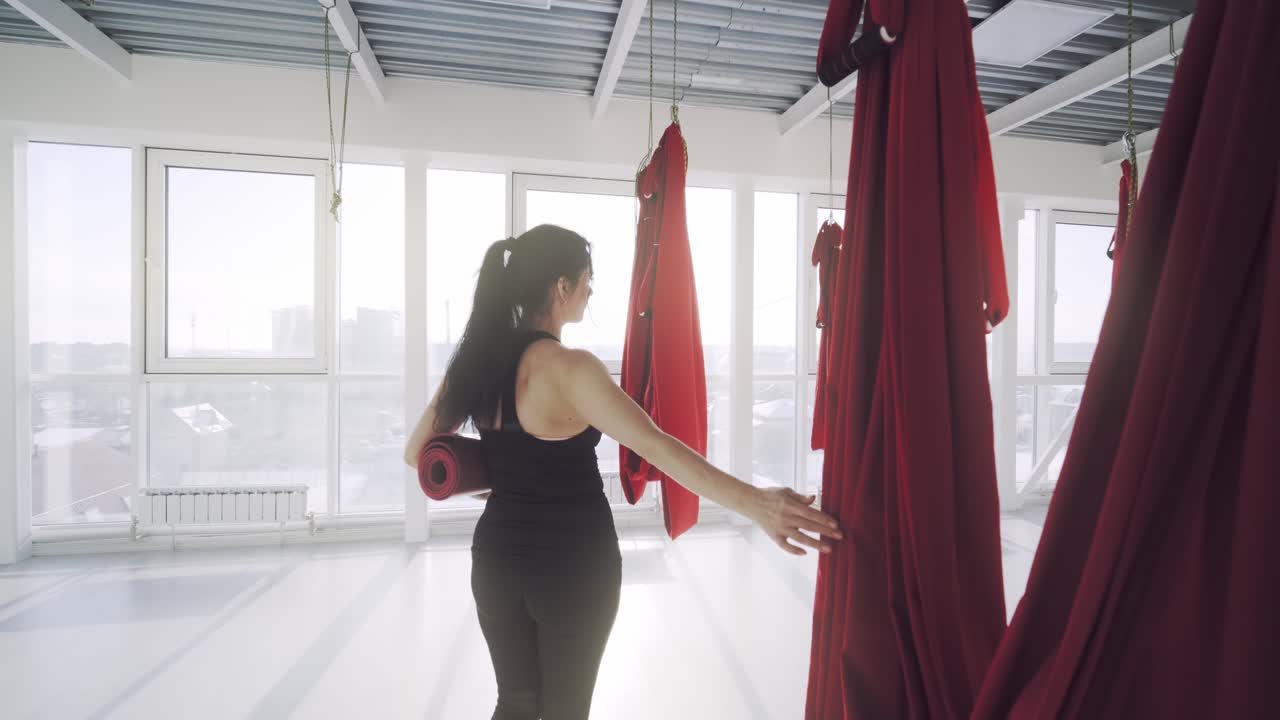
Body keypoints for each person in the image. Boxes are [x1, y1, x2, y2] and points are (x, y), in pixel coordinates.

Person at [405, 224, 842, 720]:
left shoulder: (477, 364)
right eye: (588, 278)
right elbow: (655, 446)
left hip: (496, 562)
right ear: (561, 287)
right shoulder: (571, 368)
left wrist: (505, 472)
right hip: (572, 565)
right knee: (565, 711)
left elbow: (416, 452)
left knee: (516, 704)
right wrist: (760, 504)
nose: (592, 290)